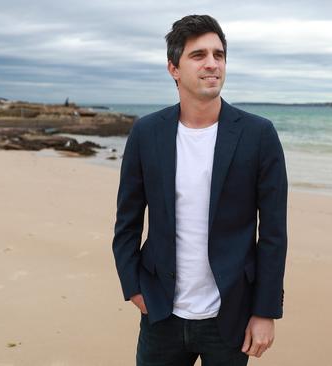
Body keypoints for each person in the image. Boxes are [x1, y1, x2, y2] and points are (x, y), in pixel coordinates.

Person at [112, 14, 288, 366]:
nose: (212, 64)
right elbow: (127, 220)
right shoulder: (147, 133)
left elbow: (272, 233)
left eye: (218, 55)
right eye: (198, 55)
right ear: (173, 69)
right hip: (161, 312)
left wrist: (265, 311)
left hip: (231, 316)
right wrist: (132, 286)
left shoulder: (258, 135)